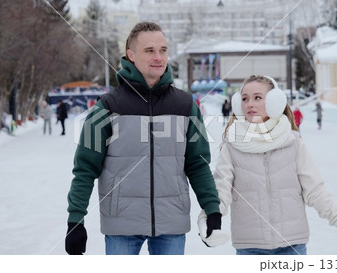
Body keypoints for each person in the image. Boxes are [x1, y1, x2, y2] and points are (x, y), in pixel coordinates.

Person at [65, 22, 225, 255]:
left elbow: (198, 164)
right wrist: (75, 220)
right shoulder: (107, 107)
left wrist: (212, 210)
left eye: (163, 50)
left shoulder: (186, 106)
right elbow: (85, 168)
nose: (158, 57)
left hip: (171, 223)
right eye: (149, 50)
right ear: (131, 55)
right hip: (121, 224)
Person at [204, 75, 337, 255]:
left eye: (257, 97)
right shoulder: (232, 147)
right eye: (244, 98)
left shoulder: (293, 143)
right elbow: (220, 191)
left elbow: (315, 190)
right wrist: (208, 219)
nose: (249, 103)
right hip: (250, 246)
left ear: (275, 101)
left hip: (292, 245)